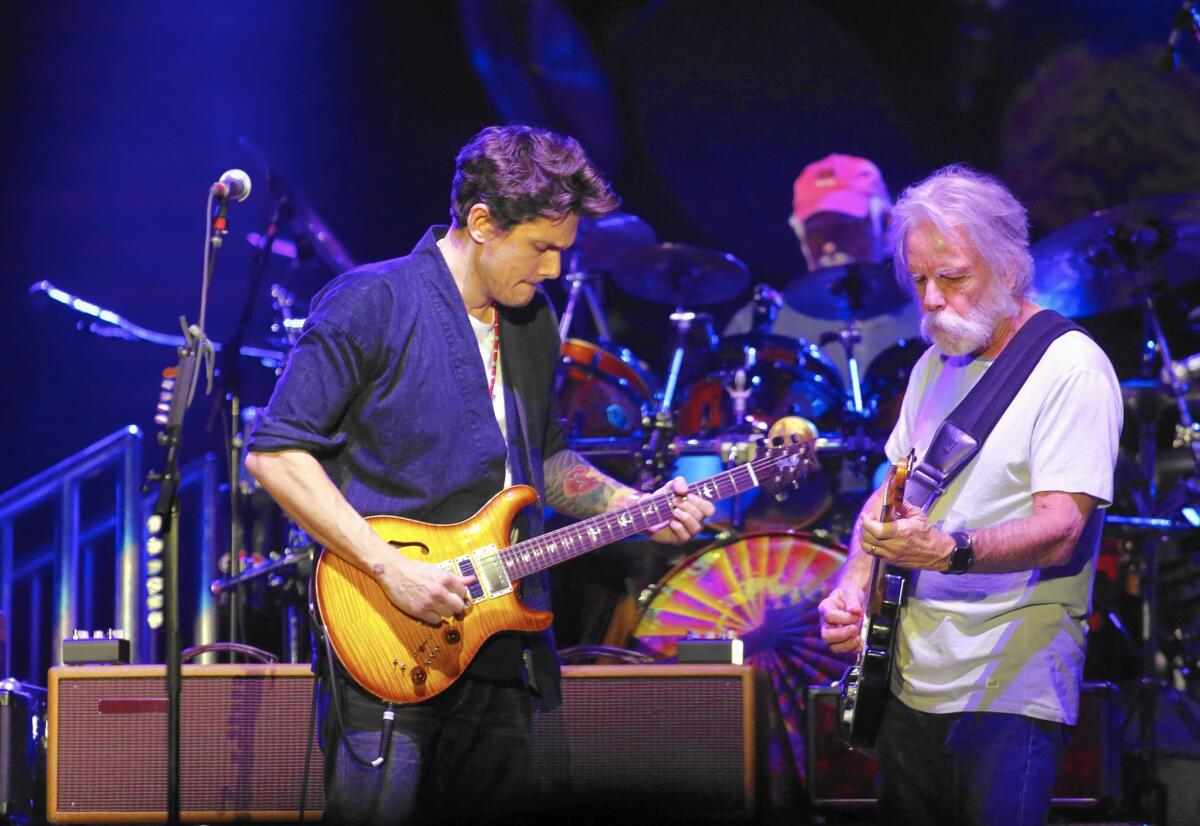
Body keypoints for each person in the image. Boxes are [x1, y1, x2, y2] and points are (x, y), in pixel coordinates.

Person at [245, 125, 714, 825]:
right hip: (389, 632)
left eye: (563, 250)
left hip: (504, 641)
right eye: (542, 248)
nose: (554, 270)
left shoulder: (533, 320)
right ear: (482, 222)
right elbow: (276, 453)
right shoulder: (371, 302)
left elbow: (543, 457)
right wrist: (387, 568)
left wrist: (633, 504)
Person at [817, 164, 1122, 825]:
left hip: (1011, 687)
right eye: (919, 279)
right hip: (909, 679)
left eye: (951, 276)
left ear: (1009, 267)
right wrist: (853, 580)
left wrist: (947, 551)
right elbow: (892, 493)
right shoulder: (935, 364)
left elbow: (1062, 528)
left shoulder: (1072, 369)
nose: (929, 298)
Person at [725, 153, 921, 387]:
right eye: (816, 231)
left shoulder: (932, 311)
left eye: (844, 227)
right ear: (800, 238)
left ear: (886, 223)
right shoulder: (760, 324)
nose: (829, 244)